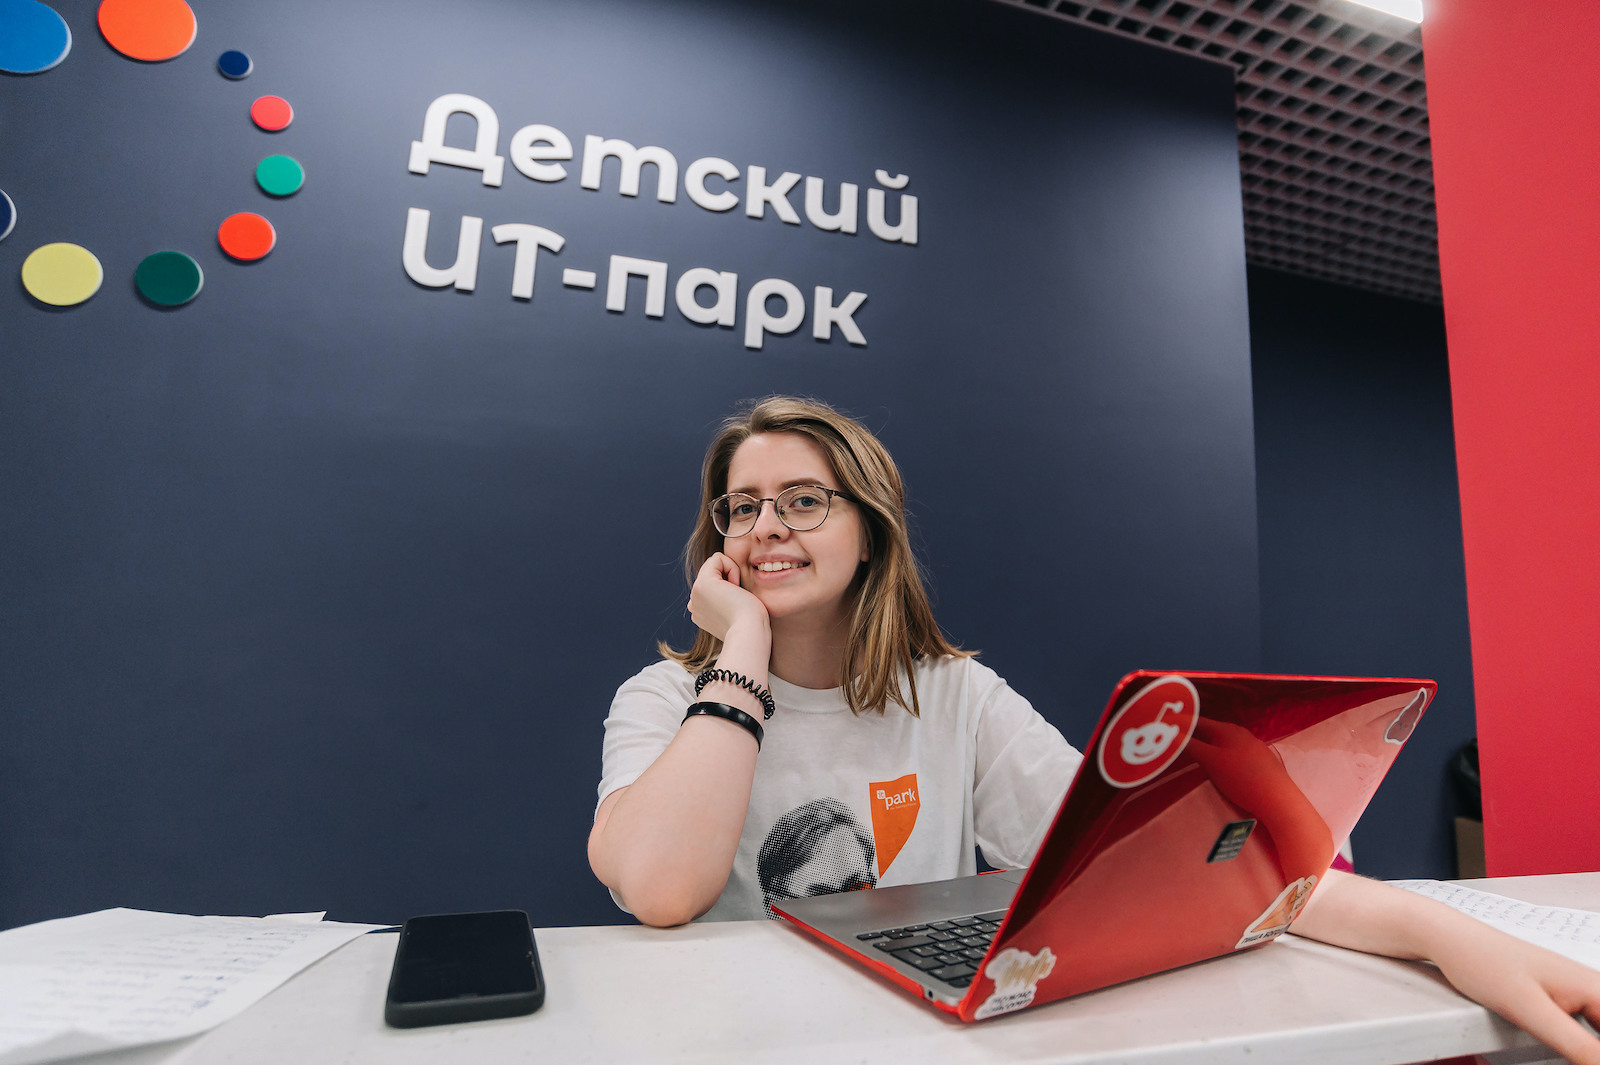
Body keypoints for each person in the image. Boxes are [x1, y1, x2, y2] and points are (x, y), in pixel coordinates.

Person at [589, 395, 1600, 1063]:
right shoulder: (662, 698)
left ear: (871, 533)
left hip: (912, 1043)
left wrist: (1439, 933)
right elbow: (663, 889)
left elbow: (1164, 868)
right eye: (741, 508)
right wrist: (744, 647)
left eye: (803, 501)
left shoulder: (951, 695)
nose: (765, 527)